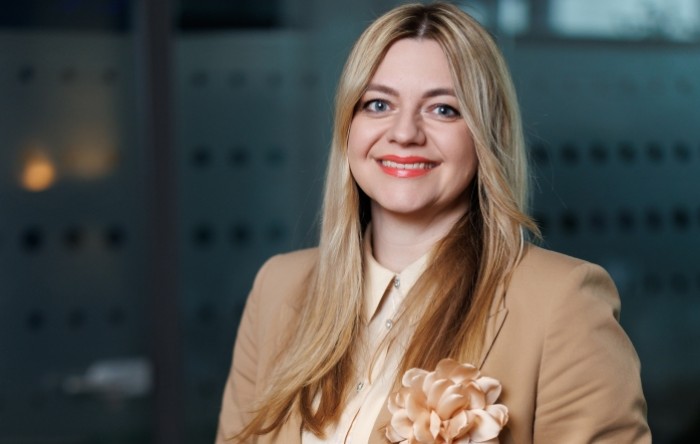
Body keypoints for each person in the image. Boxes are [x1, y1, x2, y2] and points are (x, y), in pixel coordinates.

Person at [215, 2, 651, 443]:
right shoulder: (276, 288)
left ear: (487, 134)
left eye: (443, 109)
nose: (405, 133)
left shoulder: (564, 303)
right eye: (378, 104)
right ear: (348, 125)